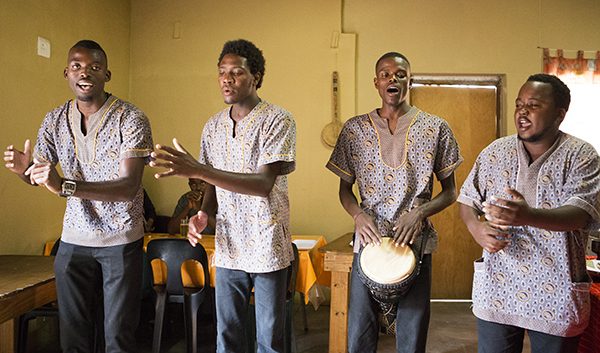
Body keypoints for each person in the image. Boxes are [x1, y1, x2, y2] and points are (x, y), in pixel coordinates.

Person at [3, 40, 153, 353]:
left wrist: (65, 186)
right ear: (66, 73)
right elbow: (44, 176)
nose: (85, 73)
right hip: (73, 240)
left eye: (94, 67)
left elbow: (128, 187)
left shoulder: (131, 118)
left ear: (107, 74)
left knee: (118, 337)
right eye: (77, 66)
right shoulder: (54, 120)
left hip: (121, 241)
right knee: (72, 338)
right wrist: (24, 170)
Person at [150, 39, 296, 353]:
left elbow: (262, 184)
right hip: (229, 244)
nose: (227, 79)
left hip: (267, 241)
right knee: (226, 335)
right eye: (221, 72)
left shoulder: (277, 120)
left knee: (269, 338)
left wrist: (200, 170)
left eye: (237, 72)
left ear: (255, 76)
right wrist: (204, 213)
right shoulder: (213, 127)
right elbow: (212, 185)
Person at [326, 52, 462, 353]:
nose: (393, 79)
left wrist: (420, 213)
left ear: (409, 80)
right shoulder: (354, 130)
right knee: (360, 332)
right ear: (376, 82)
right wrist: (358, 216)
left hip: (415, 242)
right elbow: (344, 190)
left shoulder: (435, 128)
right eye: (386, 74)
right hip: (368, 244)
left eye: (400, 74)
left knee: (412, 334)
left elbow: (451, 191)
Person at [458, 74, 600, 353]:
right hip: (498, 287)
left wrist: (527, 216)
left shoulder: (582, 155)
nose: (522, 111)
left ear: (559, 114)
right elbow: (467, 200)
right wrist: (476, 228)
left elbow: (582, 214)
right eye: (519, 104)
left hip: (555, 292)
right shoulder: (495, 153)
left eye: (533, 105)